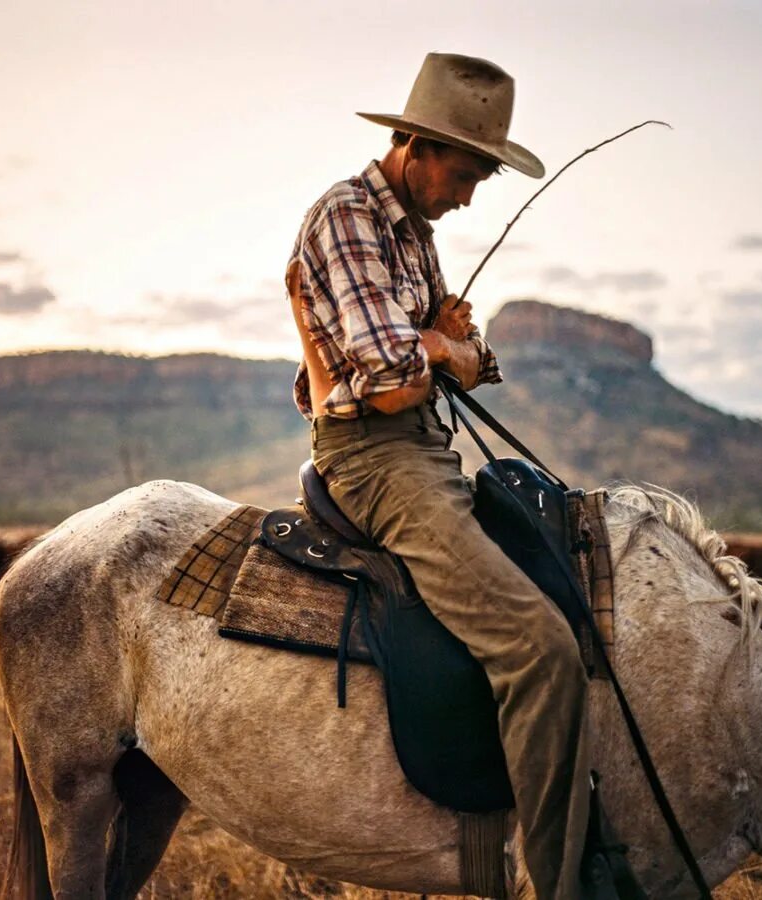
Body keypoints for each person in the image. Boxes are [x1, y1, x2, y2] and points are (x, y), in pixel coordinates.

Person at [286, 52, 591, 900]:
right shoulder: (347, 218)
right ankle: (566, 882)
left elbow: (471, 359)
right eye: (462, 176)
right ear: (414, 147)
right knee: (540, 650)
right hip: (378, 463)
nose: (467, 198)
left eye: (479, 183)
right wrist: (439, 349)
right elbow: (390, 382)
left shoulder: (413, 234)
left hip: (426, 447)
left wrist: (444, 344)